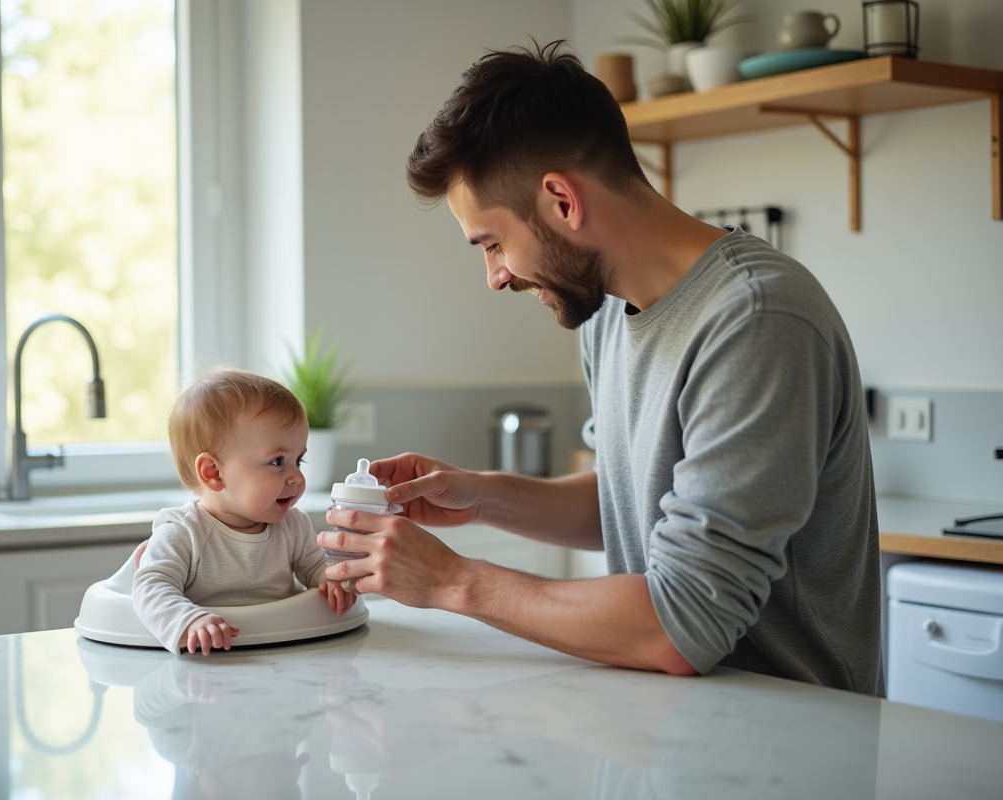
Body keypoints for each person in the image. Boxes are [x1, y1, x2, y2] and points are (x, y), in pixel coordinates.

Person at [317, 41, 882, 695]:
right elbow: (628, 498)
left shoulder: (757, 320)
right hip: (669, 727)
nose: (495, 277)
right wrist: (478, 495)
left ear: (561, 200)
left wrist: (449, 580)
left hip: (790, 747)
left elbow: (678, 627)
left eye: (493, 243)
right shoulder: (609, 312)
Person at [134, 367, 354, 655]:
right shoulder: (182, 532)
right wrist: (188, 621)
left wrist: (330, 579)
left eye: (298, 461)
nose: (296, 478)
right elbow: (151, 587)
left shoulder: (293, 525)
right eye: (277, 462)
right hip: (211, 661)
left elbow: (315, 567)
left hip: (284, 648)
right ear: (213, 472)